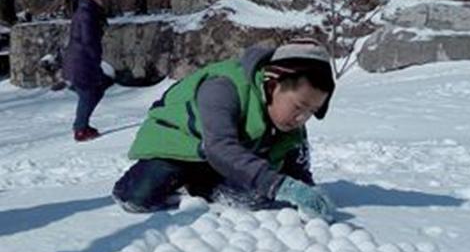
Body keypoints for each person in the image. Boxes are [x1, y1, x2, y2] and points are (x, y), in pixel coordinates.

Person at [112, 38, 337, 220]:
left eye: (312, 111)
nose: (302, 118)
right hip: (178, 146)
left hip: (223, 157)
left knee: (254, 199)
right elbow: (220, 146)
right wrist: (281, 186)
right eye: (299, 106)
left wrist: (306, 191)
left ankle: (203, 184)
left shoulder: (290, 123)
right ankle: (185, 178)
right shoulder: (223, 86)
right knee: (139, 196)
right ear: (271, 86)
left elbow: (293, 161)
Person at [62, 0, 110, 142]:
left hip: (83, 60)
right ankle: (80, 130)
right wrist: (94, 56)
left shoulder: (90, 11)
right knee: (88, 94)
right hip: (82, 61)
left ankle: (82, 125)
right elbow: (88, 38)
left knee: (97, 89)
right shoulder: (86, 12)